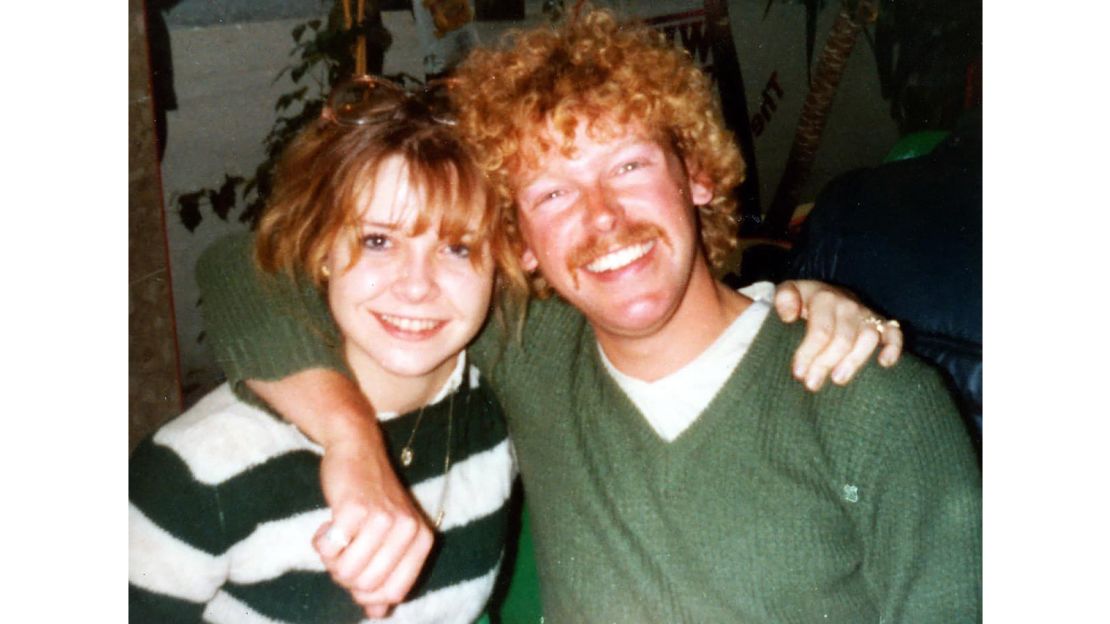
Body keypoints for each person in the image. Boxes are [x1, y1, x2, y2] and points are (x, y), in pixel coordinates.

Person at [198, 7, 979, 621]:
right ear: (521, 244)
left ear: (698, 175)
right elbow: (249, 265)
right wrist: (349, 441)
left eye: (630, 165)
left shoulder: (874, 403)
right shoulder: (530, 347)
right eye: (551, 193)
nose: (603, 218)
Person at [130, 76, 518, 623]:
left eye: (458, 248)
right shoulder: (200, 469)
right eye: (378, 241)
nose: (415, 285)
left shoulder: (499, 412)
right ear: (322, 251)